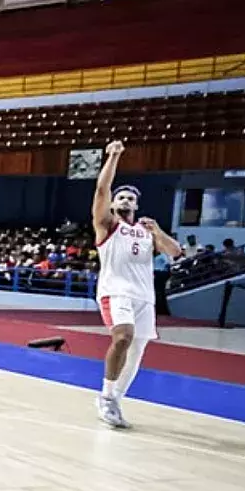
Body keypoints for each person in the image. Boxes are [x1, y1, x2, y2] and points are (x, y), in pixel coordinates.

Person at [90, 140, 180, 429]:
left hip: (145, 297)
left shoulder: (145, 231)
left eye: (131, 198)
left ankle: (115, 398)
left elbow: (175, 251)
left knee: (137, 351)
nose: (126, 200)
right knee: (122, 338)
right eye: (122, 197)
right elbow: (102, 189)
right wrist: (114, 156)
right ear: (115, 204)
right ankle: (105, 395)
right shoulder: (107, 225)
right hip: (116, 292)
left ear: (137, 205)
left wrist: (158, 231)